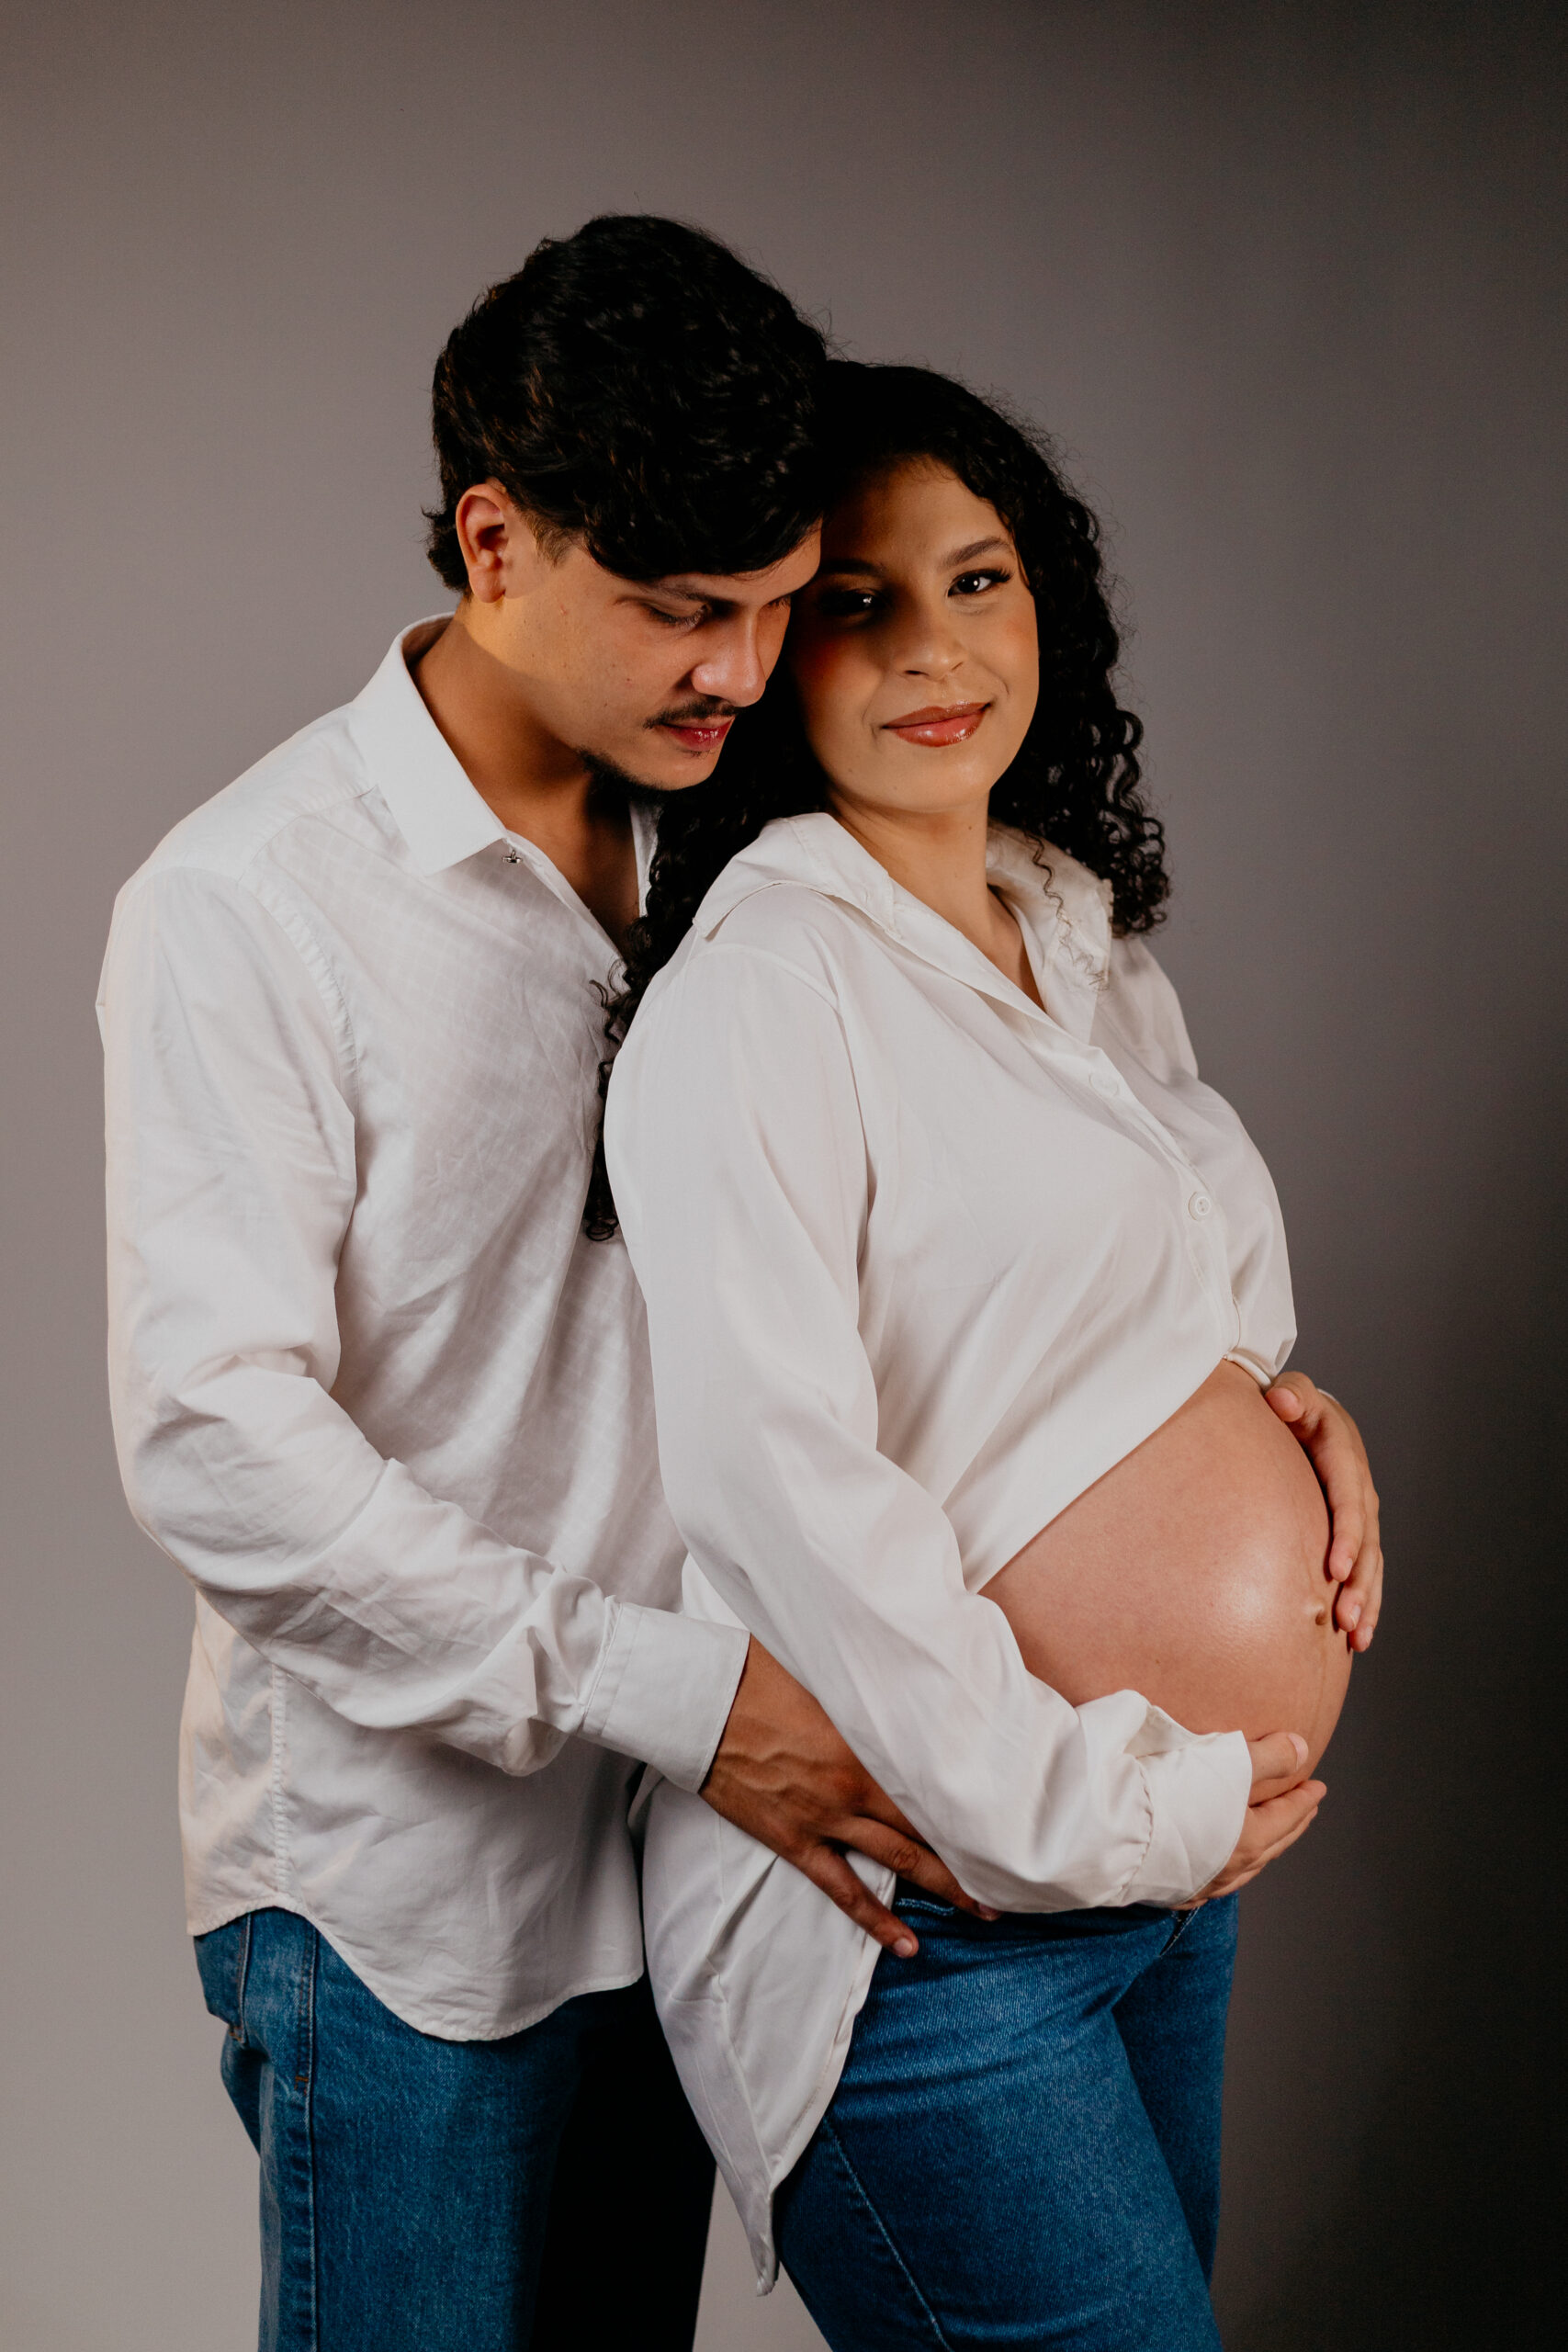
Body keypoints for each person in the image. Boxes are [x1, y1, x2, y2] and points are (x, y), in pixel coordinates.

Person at [96, 220, 988, 2352]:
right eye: (679, 610)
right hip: (403, 1892)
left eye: (776, 606)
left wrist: (1240, 1385)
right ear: (493, 541)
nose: (741, 674)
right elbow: (214, 1440)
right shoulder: (248, 901)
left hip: (688, 1855)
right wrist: (676, 1693)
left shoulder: (748, 841)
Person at [603, 361, 1385, 2349]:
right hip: (927, 1922)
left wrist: (1295, 1424)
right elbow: (780, 1489)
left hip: (1160, 1877)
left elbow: (1161, 1321)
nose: (932, 649)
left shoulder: (1083, 944)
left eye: (978, 579)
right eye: (857, 602)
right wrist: (1100, 1814)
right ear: (769, 651)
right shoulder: (759, 992)